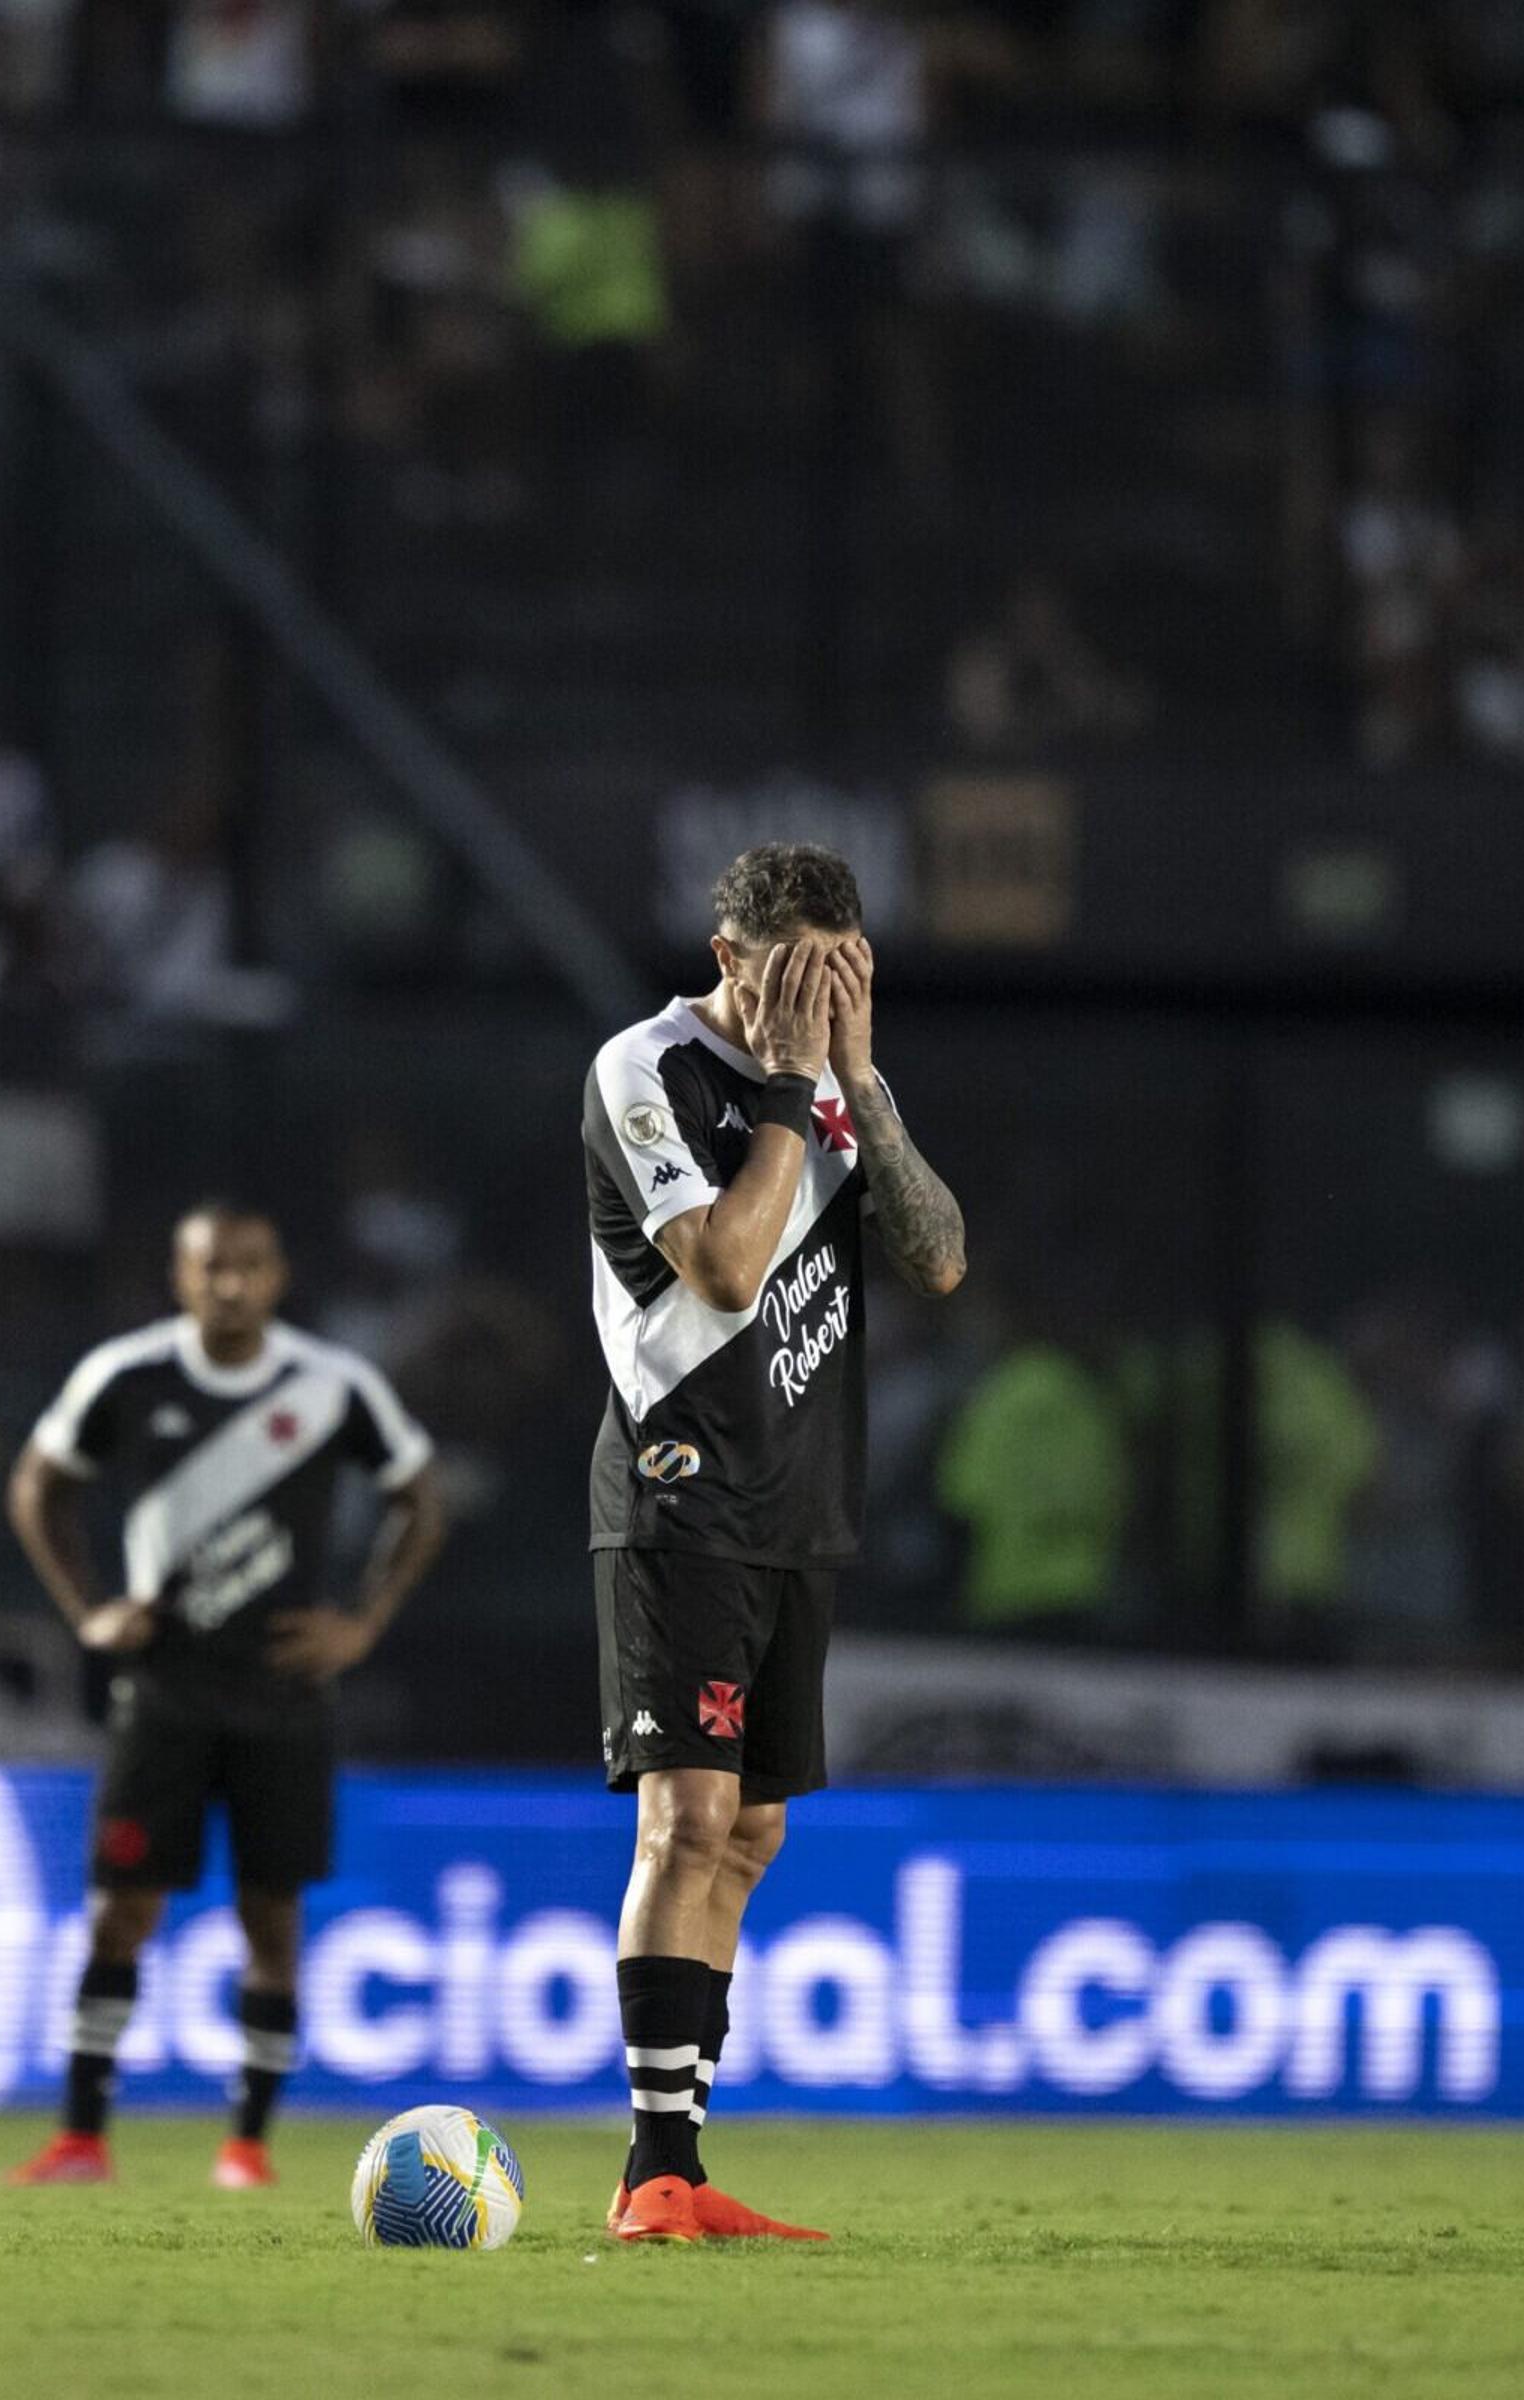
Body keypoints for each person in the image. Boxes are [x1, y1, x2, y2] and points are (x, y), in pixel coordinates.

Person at [580, 841, 967, 2244]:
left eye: (844, 969)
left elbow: (939, 1258)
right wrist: (801, 1096)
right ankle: (651, 2171)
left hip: (801, 1510)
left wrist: (860, 1085)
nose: (817, 994)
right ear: (731, 956)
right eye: (795, 970)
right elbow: (730, 1270)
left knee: (747, 1832)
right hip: (680, 1491)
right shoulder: (646, 1069)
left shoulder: (840, 1096)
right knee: (682, 1818)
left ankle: (682, 2159)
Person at [1, 1204, 447, 2190]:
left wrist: (361, 1624)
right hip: (163, 1688)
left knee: (271, 1922)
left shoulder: (333, 1385)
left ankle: (247, 2146)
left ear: (278, 1274)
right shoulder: (127, 1376)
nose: (231, 1285)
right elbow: (37, 1485)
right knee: (122, 1913)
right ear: (180, 1274)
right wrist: (88, 1611)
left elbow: (422, 1499)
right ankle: (81, 2138)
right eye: (212, 1267)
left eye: (249, 1266)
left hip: (281, 1691)